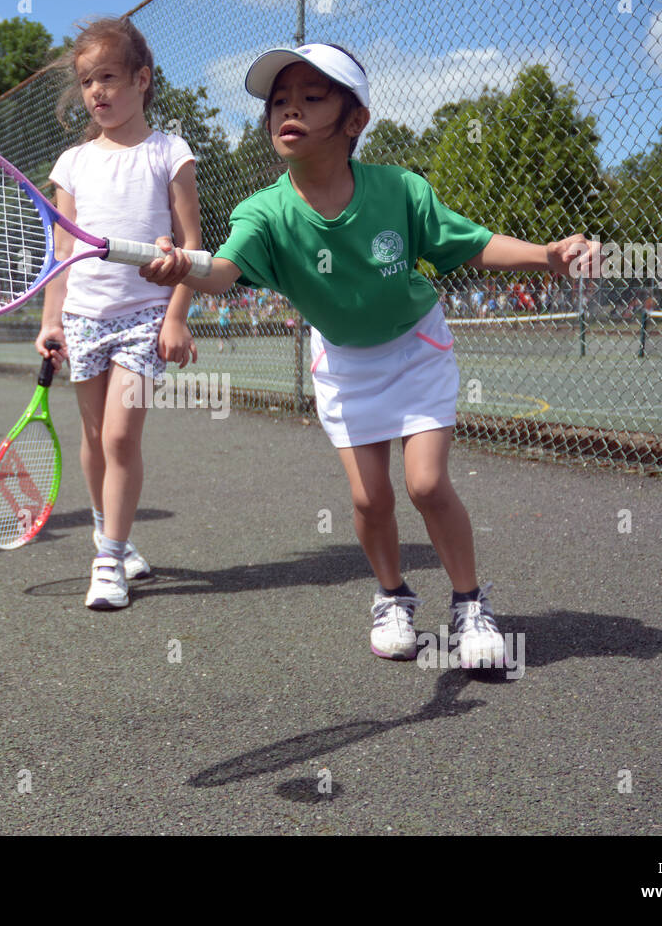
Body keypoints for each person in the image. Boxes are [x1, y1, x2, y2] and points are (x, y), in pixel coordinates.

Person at [142, 43, 600, 667]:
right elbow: (223, 271)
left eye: (311, 96)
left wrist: (547, 254)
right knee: (368, 500)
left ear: (354, 120)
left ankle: (470, 607)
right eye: (278, 101)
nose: (289, 110)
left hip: (416, 348)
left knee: (428, 483)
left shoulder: (400, 190)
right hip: (345, 364)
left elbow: (470, 244)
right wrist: (184, 268)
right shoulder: (263, 212)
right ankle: (393, 597)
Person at [35, 17, 199, 610]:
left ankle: (108, 560)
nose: (96, 91)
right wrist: (51, 321)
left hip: (141, 317)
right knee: (94, 436)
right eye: (86, 81)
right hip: (82, 317)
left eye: (108, 76)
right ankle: (111, 532)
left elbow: (191, 245)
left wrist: (175, 316)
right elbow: (61, 253)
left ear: (142, 79)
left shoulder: (170, 153)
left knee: (122, 435)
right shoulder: (72, 163)